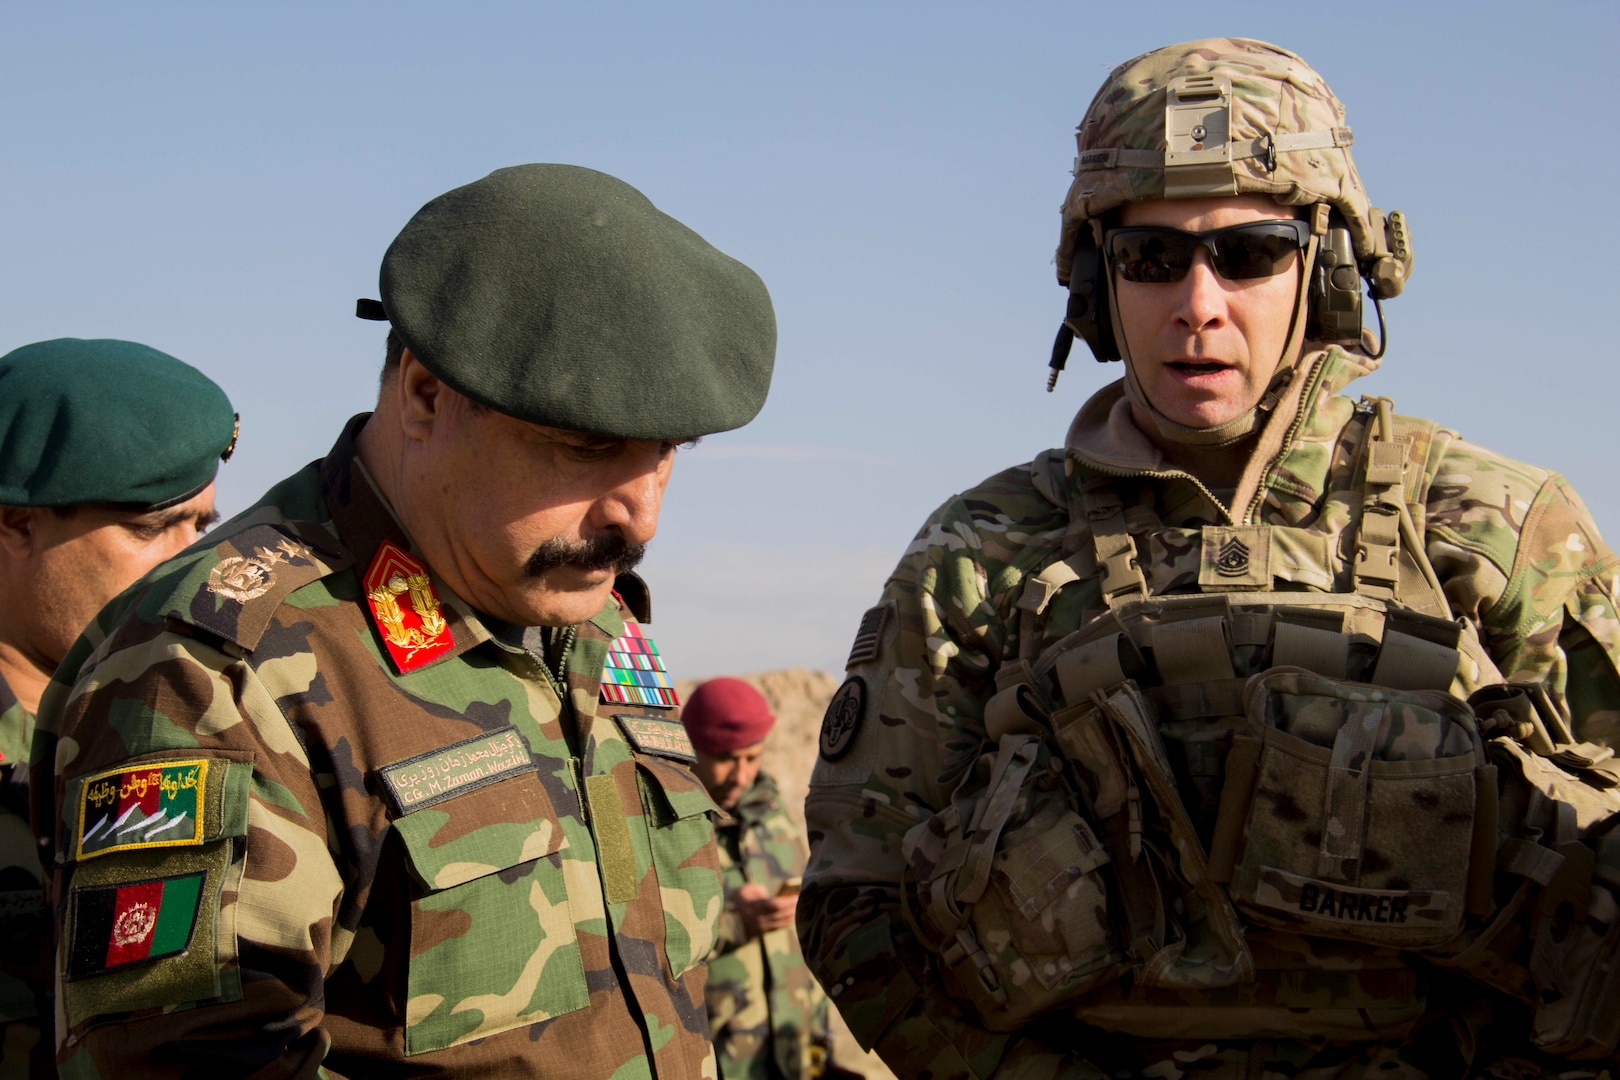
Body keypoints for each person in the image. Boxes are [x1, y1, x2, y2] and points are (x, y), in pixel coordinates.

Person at [799, 39, 1620, 1079]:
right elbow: (855, 906)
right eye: (1151, 258)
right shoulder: (982, 555)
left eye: (1249, 252)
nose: (1198, 302)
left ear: (1323, 265)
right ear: (1100, 281)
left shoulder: (1493, 527)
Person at [33, 165, 776, 1077]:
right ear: (425, 396)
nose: (640, 517)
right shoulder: (217, 670)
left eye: (666, 454)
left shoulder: (588, 623)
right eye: (587, 449)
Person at [0, 337, 233, 1080]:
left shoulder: (193, 715)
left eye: (198, 527)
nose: (187, 566)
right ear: (14, 523)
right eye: (147, 529)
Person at [682, 678, 830, 1080]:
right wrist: (734, 922)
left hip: (798, 1050)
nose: (740, 774)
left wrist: (821, 1048)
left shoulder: (774, 815)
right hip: (723, 1059)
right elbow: (649, 944)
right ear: (692, 749)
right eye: (726, 758)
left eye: (752, 758)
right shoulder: (670, 829)